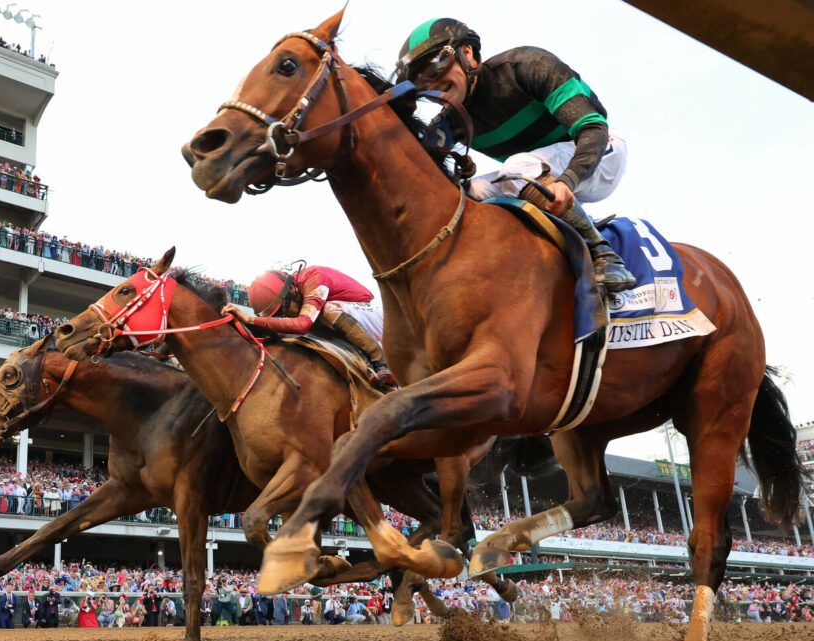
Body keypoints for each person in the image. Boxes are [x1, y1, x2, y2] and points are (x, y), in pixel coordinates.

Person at [396, 18, 635, 293]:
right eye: (419, 81)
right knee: (466, 194)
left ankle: (603, 254)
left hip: (600, 153)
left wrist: (567, 181)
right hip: (537, 175)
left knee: (518, 167)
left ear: (467, 53)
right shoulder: (451, 122)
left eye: (436, 64)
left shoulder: (526, 66)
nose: (432, 83)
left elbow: (592, 128)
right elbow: (413, 167)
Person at [223, 265, 396, 388]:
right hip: (353, 319)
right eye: (278, 315)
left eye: (283, 309)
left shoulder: (315, 278)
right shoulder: (295, 291)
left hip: (376, 315)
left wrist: (251, 319)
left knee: (327, 311)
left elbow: (301, 325)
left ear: (292, 291)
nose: (285, 316)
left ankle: (381, 362)